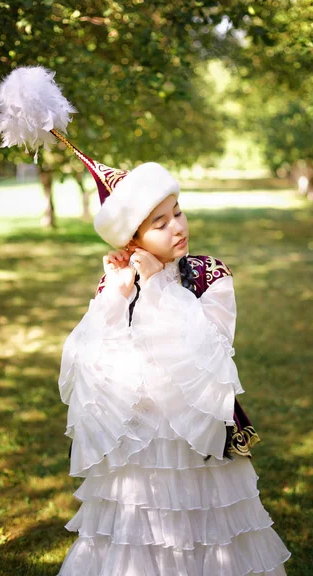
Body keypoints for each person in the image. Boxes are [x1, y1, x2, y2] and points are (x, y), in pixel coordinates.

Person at [57, 161, 292, 575]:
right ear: (133, 238)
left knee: (209, 524)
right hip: (140, 441)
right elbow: (90, 368)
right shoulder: (116, 282)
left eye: (178, 212)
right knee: (141, 526)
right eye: (160, 222)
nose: (177, 227)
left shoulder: (208, 276)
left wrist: (159, 289)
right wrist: (116, 297)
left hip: (196, 433)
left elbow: (211, 352)